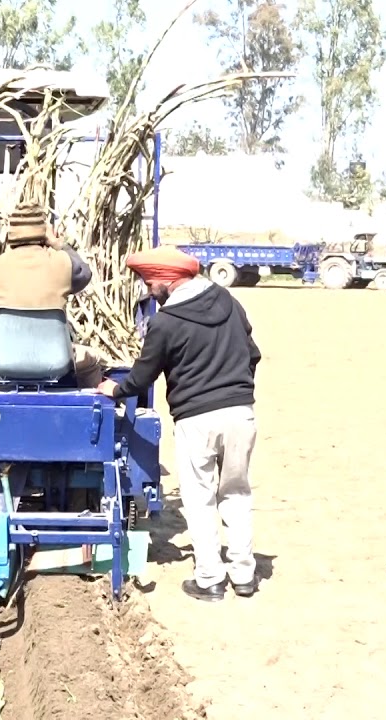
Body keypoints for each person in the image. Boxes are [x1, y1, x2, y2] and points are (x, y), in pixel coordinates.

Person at [95, 246, 262, 602]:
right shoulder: (229, 302)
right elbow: (253, 354)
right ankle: (244, 575)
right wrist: (236, 386)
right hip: (241, 412)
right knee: (236, 491)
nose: (148, 288)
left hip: (196, 417)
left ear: (167, 281)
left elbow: (143, 376)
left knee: (199, 497)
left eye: (150, 282)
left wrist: (116, 388)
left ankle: (209, 580)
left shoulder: (166, 321)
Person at [0, 201, 102, 387]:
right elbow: (85, 273)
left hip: (4, 359)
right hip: (56, 361)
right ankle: (88, 408)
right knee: (92, 360)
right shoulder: (62, 263)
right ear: (44, 231)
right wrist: (58, 244)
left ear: (10, 233)